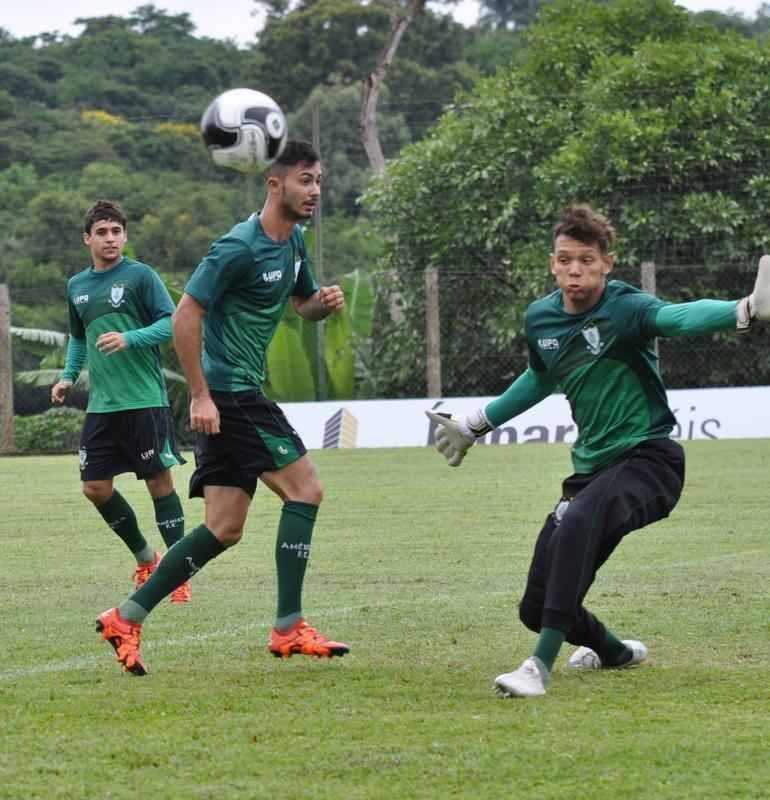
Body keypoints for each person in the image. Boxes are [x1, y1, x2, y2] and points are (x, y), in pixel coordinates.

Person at [427, 204, 770, 698]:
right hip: (591, 469)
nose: (575, 270)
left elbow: (675, 317)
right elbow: (540, 379)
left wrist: (741, 311)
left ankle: (538, 668)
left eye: (587, 260)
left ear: (607, 263)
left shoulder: (627, 308)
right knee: (534, 604)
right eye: (566, 260)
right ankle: (614, 652)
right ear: (552, 264)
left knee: (580, 520)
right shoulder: (541, 320)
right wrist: (476, 424)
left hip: (650, 460)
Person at [95, 140, 350, 675]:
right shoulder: (237, 246)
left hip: (236, 392)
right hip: (231, 393)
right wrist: (202, 394)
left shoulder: (295, 242)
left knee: (224, 526)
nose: (317, 191)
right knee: (306, 490)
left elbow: (300, 305)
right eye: (306, 180)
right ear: (274, 184)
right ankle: (288, 627)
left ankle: (127, 615)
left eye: (320, 180)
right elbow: (187, 314)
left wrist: (320, 305)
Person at [51, 199, 190, 605]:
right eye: (102, 232)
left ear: (125, 236)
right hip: (102, 406)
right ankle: (148, 559)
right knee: (94, 488)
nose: (110, 239)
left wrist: (131, 338)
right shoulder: (77, 287)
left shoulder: (141, 276)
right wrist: (66, 376)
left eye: (116, 232)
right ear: (87, 239)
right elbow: (79, 338)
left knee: (158, 483)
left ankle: (179, 573)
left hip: (144, 400)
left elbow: (171, 323)